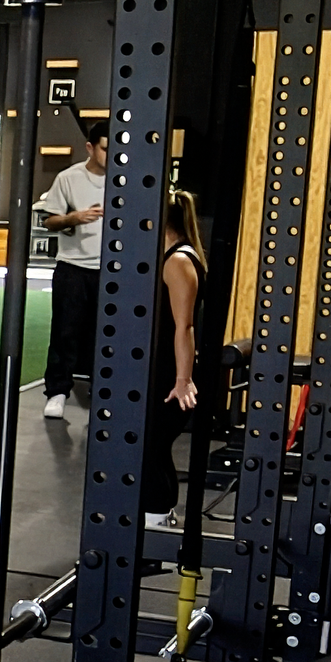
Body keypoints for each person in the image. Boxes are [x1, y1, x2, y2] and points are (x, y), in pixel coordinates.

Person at [36, 119, 109, 420]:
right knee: (65, 332)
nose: (112, 155)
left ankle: (103, 390)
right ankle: (57, 392)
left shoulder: (128, 179)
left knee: (106, 334)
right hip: (73, 268)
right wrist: (73, 218)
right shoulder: (68, 178)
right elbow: (49, 220)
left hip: (112, 270)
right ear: (90, 148)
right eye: (106, 149)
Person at [145, 186, 207, 519]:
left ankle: (156, 524)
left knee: (150, 448)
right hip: (162, 366)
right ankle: (158, 521)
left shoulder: (179, 261)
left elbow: (184, 326)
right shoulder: (173, 257)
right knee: (151, 448)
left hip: (170, 372)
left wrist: (183, 380)